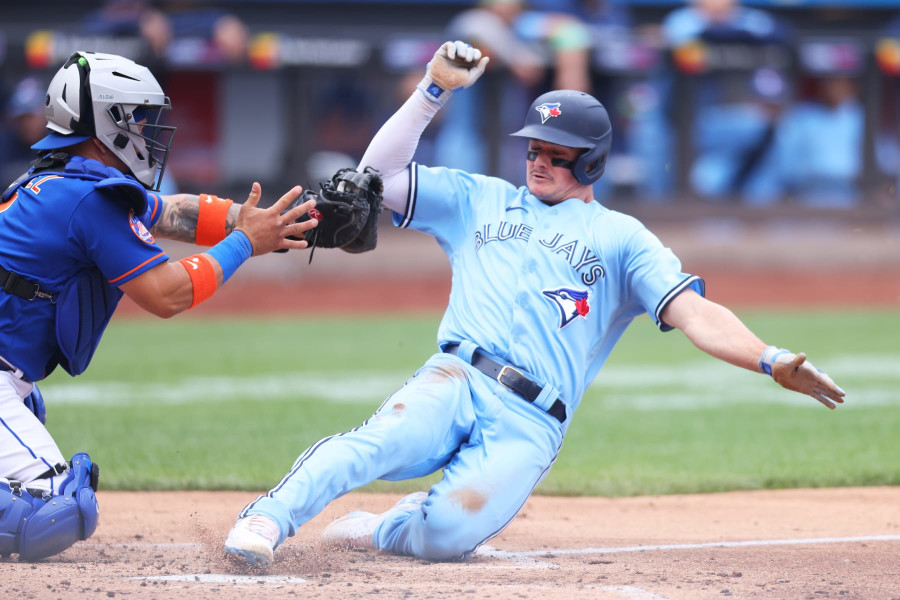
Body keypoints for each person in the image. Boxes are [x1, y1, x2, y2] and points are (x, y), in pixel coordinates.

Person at [223, 41, 845, 567]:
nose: (540, 161)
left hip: (532, 423)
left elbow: (696, 314)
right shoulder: (480, 198)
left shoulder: (623, 238)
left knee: (445, 537)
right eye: (534, 149)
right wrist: (432, 91)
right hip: (458, 375)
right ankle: (268, 519)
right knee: (375, 444)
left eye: (557, 153)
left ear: (593, 159)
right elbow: (375, 175)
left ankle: (384, 527)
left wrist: (771, 358)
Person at [0, 51, 317, 562]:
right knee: (59, 508)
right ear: (104, 120)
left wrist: (269, 222)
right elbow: (169, 293)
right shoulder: (89, 200)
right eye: (136, 117)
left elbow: (173, 213)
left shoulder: (66, 180)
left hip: (9, 379)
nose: (147, 130)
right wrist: (245, 244)